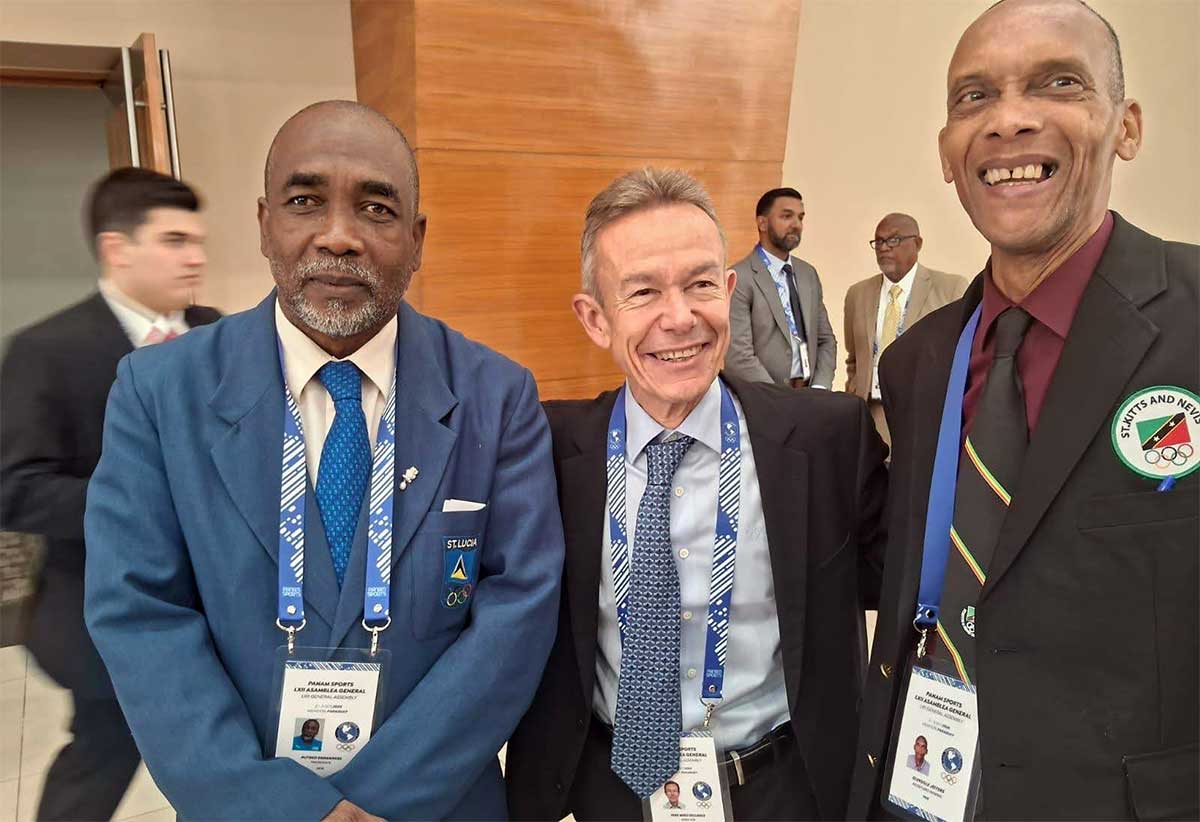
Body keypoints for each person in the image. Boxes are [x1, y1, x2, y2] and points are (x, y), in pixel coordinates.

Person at [83, 101, 564, 821]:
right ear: (264, 222)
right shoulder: (158, 394)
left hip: (435, 804)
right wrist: (280, 806)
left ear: (417, 238)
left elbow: (518, 610)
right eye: (305, 201)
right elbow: (140, 613)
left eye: (376, 208)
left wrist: (373, 805)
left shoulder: (497, 396)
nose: (339, 237)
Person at [848, 1, 1198, 819]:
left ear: (1127, 125)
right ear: (946, 152)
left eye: (1058, 83)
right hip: (927, 787)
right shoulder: (919, 361)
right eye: (974, 97)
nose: (1008, 120)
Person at [505, 168, 887, 822]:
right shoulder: (548, 449)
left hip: (785, 788)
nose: (679, 318)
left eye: (701, 284)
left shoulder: (829, 440)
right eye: (643, 292)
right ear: (595, 319)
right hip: (610, 789)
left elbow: (905, 588)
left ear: (730, 292)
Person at [0, 167, 217, 821]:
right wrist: (139, 507)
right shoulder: (47, 351)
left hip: (221, 604)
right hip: (105, 611)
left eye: (200, 240)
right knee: (102, 755)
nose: (198, 257)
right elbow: (15, 490)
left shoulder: (218, 333)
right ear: (118, 248)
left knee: (225, 758)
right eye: (176, 240)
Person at [843, 214, 967, 445]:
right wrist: (855, 389)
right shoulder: (857, 294)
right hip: (870, 417)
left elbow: (961, 358)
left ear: (917, 243)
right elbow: (853, 360)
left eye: (894, 240)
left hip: (924, 417)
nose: (884, 248)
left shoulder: (951, 289)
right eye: (878, 242)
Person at [725, 188, 837, 389]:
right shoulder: (741, 277)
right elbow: (738, 354)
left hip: (808, 396)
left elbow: (826, 340)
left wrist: (819, 388)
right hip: (764, 399)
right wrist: (778, 399)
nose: (796, 225)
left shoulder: (807, 274)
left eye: (800, 218)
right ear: (762, 223)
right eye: (787, 216)